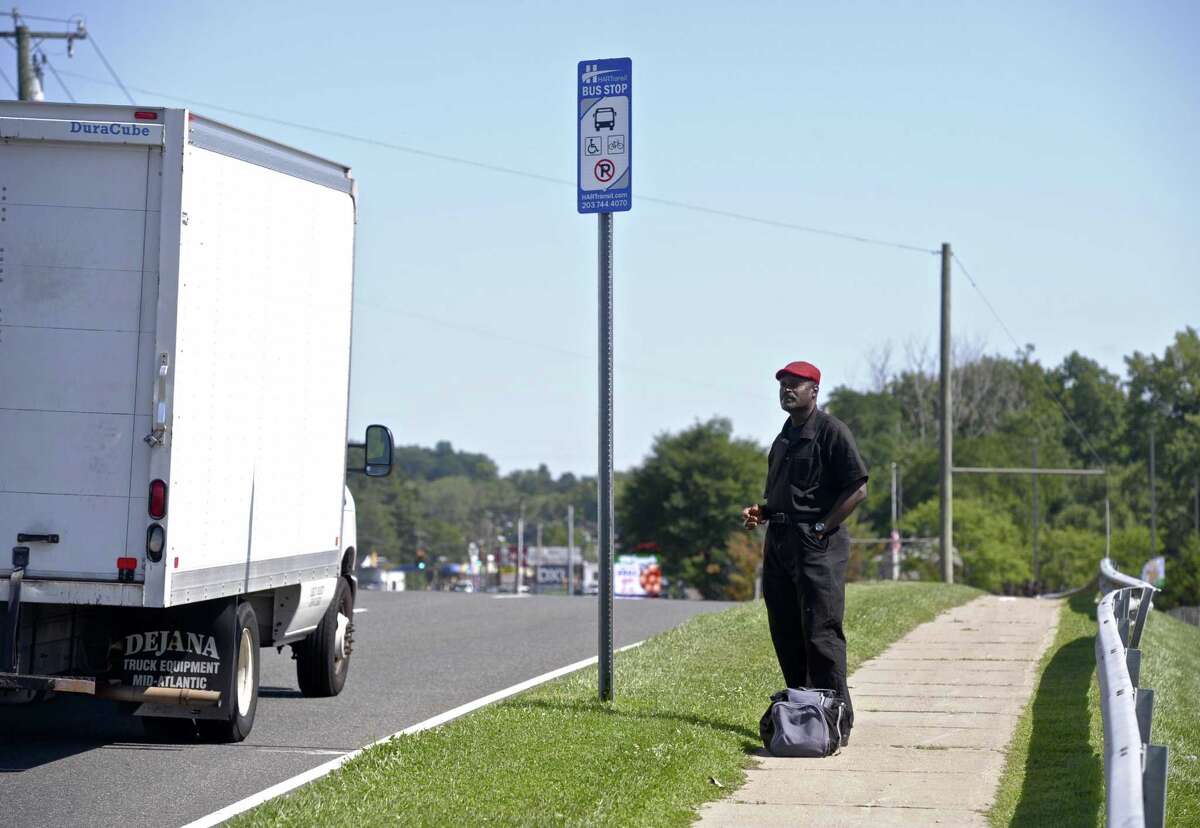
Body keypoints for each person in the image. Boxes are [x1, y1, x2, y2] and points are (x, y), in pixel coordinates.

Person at [742, 360, 868, 746]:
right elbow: (790, 494)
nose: (787, 390)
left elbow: (857, 489)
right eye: (783, 384)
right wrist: (763, 512)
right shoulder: (784, 436)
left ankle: (835, 719)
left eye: (795, 384)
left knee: (820, 632)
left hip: (817, 545)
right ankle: (802, 713)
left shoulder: (831, 431)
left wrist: (821, 528)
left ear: (814, 391)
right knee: (785, 628)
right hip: (780, 540)